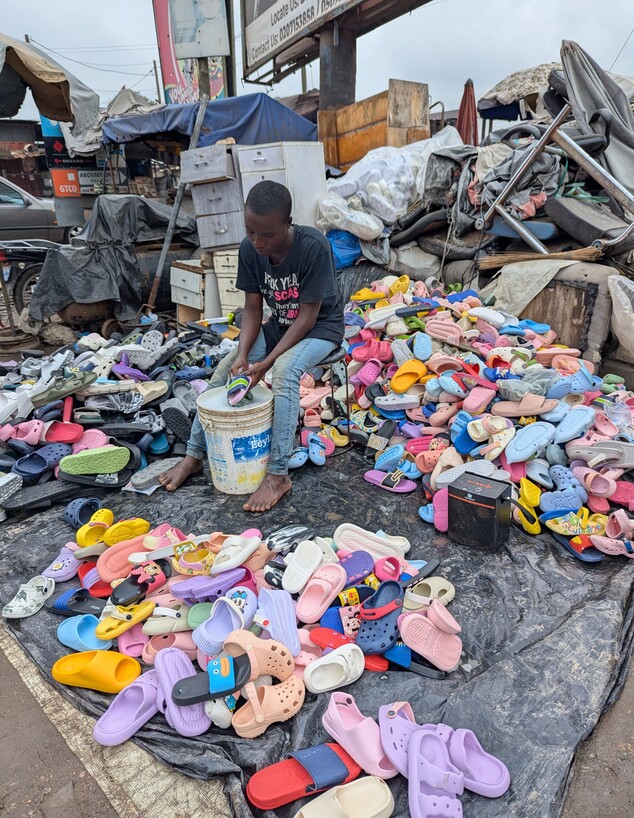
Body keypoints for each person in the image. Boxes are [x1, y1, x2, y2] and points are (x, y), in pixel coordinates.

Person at [160, 180, 344, 512]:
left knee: (285, 371)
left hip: (320, 328)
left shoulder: (313, 246)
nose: (258, 242)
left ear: (288, 224)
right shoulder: (250, 249)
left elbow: (307, 316)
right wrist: (244, 355)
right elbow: (253, 310)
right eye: (250, 231)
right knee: (224, 372)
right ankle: (194, 456)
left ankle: (277, 475)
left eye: (268, 235)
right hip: (279, 327)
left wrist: (268, 362)